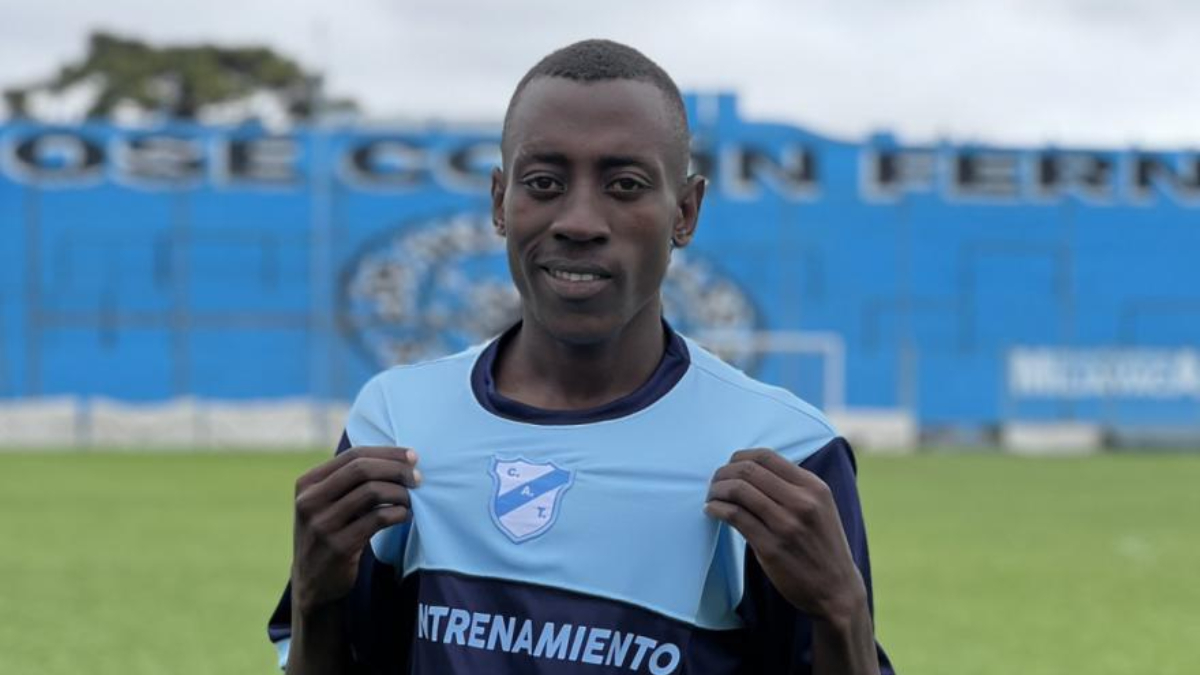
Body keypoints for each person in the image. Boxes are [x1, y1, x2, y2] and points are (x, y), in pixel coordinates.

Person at [269, 39, 895, 675]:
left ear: (685, 211)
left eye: (625, 184)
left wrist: (843, 612)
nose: (579, 220)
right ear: (499, 202)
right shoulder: (398, 421)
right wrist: (317, 602)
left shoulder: (786, 450)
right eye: (544, 183)